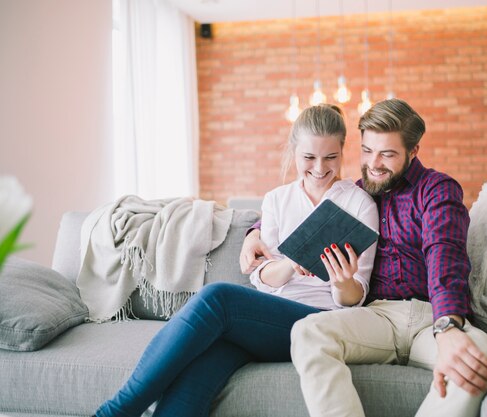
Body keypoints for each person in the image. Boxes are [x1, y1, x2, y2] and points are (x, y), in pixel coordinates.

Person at [94, 104, 379, 417]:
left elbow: (354, 298)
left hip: (320, 322)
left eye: (331, 157)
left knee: (219, 297)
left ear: (342, 151)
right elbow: (261, 276)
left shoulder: (359, 203)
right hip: (266, 321)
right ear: (293, 152)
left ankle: (115, 412)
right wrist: (290, 265)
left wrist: (342, 281)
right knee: (201, 367)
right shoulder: (277, 199)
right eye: (309, 158)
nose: (319, 168)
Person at [241, 98, 487, 417]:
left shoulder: (437, 189)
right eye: (367, 151)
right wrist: (253, 230)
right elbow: (304, 215)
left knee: (482, 357)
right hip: (377, 316)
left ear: (413, 151)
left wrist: (447, 326)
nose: (374, 163)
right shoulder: (360, 193)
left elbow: (444, 257)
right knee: (308, 331)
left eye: (388, 154)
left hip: (430, 317)